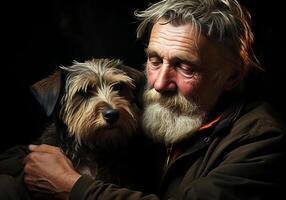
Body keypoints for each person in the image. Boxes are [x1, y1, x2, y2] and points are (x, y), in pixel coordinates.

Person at [1, 0, 286, 199]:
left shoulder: (261, 141)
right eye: (153, 60)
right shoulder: (152, 107)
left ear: (231, 77)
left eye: (185, 66)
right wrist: (30, 161)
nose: (158, 83)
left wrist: (73, 187)